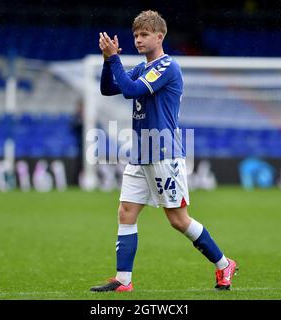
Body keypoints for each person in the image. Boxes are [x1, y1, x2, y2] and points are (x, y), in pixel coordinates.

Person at [91, 10, 237, 292]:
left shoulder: (167, 66)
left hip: (164, 152)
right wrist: (108, 61)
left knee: (178, 220)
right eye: (135, 35)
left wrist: (116, 59)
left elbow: (132, 91)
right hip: (141, 151)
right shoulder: (141, 68)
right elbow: (109, 88)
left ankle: (223, 264)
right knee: (126, 211)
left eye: (144, 34)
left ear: (160, 36)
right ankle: (123, 280)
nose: (138, 39)